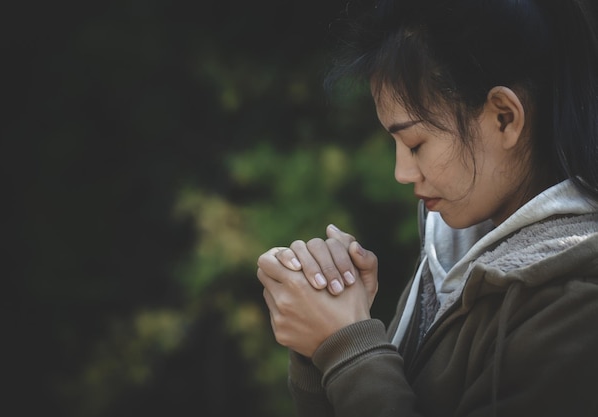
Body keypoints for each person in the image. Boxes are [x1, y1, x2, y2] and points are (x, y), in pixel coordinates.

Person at [256, 0, 598, 416]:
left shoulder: (579, 305)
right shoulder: (452, 247)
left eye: (416, 143)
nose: (401, 172)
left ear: (504, 117)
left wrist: (349, 345)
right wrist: (322, 348)